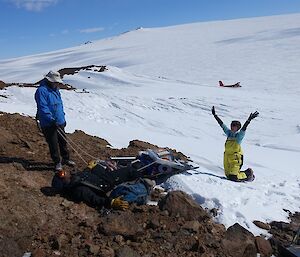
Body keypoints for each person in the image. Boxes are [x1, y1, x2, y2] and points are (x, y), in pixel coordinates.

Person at [51, 163, 154, 210]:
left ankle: (144, 180)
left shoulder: (74, 178)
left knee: (130, 170)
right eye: (62, 175)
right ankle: (146, 188)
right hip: (107, 184)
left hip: (106, 176)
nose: (64, 172)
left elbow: (85, 176)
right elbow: (94, 199)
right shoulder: (79, 190)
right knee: (130, 184)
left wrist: (89, 168)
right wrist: (111, 202)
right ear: (64, 182)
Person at [35, 70, 75, 171]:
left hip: (59, 121)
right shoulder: (41, 91)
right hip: (48, 123)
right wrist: (51, 120)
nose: (57, 83)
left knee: (63, 141)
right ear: (49, 80)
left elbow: (59, 105)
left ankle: (66, 159)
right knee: (53, 143)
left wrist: (62, 118)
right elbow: (43, 107)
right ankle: (57, 162)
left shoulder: (56, 89)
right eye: (55, 81)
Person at [212, 106, 259, 182]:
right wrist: (215, 115)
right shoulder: (229, 134)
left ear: (238, 128)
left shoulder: (239, 136)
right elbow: (222, 125)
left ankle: (248, 174)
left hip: (236, 159)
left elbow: (244, 129)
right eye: (231, 125)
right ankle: (244, 173)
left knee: (233, 177)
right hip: (227, 157)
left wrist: (248, 120)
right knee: (228, 176)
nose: (232, 127)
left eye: (234, 126)